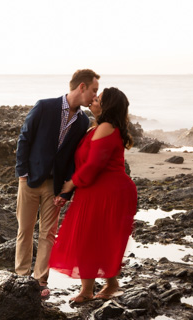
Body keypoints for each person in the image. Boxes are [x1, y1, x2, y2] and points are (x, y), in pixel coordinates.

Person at [15, 69, 100, 299]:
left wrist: (66, 191)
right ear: (81, 87)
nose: (94, 96)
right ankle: (21, 277)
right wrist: (22, 172)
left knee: (48, 234)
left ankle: (40, 281)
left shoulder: (83, 121)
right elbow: (25, 137)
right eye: (93, 90)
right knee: (25, 229)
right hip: (31, 180)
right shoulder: (44, 106)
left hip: (56, 186)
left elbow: (75, 157)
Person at [49, 87, 138, 302]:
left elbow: (94, 164)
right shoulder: (97, 127)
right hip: (95, 190)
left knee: (91, 238)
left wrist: (70, 184)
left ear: (107, 106)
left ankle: (91, 290)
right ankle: (106, 285)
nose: (93, 100)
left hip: (108, 191)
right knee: (93, 238)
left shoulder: (106, 127)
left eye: (98, 99)